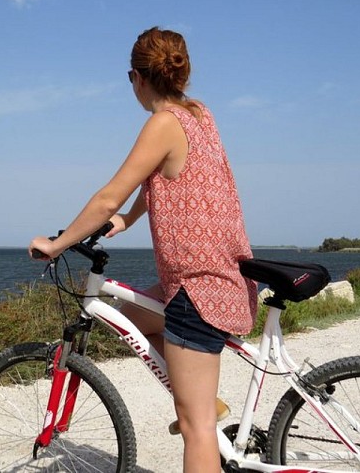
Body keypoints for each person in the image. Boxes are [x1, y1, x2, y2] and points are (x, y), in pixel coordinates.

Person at [29, 26, 258, 472]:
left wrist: (57, 245)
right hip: (218, 275)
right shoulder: (199, 114)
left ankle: (200, 409)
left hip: (199, 290)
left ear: (136, 77)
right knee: (131, 316)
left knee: (196, 432)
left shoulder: (162, 123)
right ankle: (203, 399)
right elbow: (163, 178)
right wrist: (129, 220)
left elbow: (108, 196)